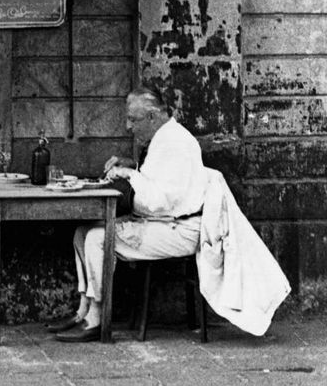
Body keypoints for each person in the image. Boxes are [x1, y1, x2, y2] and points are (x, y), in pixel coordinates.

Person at [46, 88, 209, 343]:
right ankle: (83, 309)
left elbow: (158, 202)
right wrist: (134, 165)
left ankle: (97, 317)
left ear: (153, 117)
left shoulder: (176, 143)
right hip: (161, 223)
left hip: (177, 229)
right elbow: (159, 179)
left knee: (96, 239)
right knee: (81, 232)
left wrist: (131, 175)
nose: (128, 126)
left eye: (134, 119)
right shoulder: (164, 138)